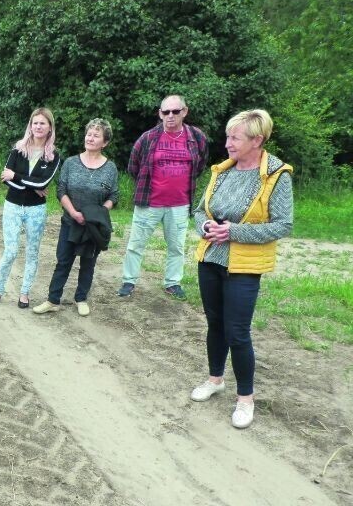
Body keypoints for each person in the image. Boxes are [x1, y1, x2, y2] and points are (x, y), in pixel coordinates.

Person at [190, 109, 293, 429]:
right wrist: (205, 226)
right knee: (215, 324)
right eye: (227, 137)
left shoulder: (276, 175)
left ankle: (245, 399)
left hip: (244, 266)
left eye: (235, 138)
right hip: (210, 259)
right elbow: (199, 211)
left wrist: (234, 232)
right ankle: (215, 380)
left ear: (257, 140)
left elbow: (283, 225)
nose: (228, 143)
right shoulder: (222, 171)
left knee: (237, 332)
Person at [118, 95, 209, 299]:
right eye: (166, 112)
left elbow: (200, 164)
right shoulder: (148, 138)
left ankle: (173, 283)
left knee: (176, 247)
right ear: (160, 114)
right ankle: (129, 281)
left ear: (184, 112)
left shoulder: (197, 137)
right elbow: (133, 166)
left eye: (175, 111)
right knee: (135, 245)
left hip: (180, 204)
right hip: (149, 203)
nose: (170, 116)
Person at [33, 119, 118, 316]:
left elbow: (114, 196)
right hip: (70, 222)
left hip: (93, 226)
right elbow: (61, 190)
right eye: (89, 134)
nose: (90, 138)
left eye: (96, 135)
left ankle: (81, 298)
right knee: (63, 261)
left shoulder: (110, 168)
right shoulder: (71, 163)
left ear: (105, 142)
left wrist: (97, 214)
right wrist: (73, 213)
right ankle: (53, 300)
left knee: (88, 263)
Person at [0, 108, 60, 309]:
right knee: (10, 251)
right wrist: (32, 185)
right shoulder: (17, 149)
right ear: (30, 125)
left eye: (42, 123)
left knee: (32, 252)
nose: (38, 127)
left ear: (50, 127)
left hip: (36, 210)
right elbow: (6, 179)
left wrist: (17, 177)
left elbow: (43, 182)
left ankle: (24, 292)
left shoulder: (53, 156)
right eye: (35, 123)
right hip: (12, 206)